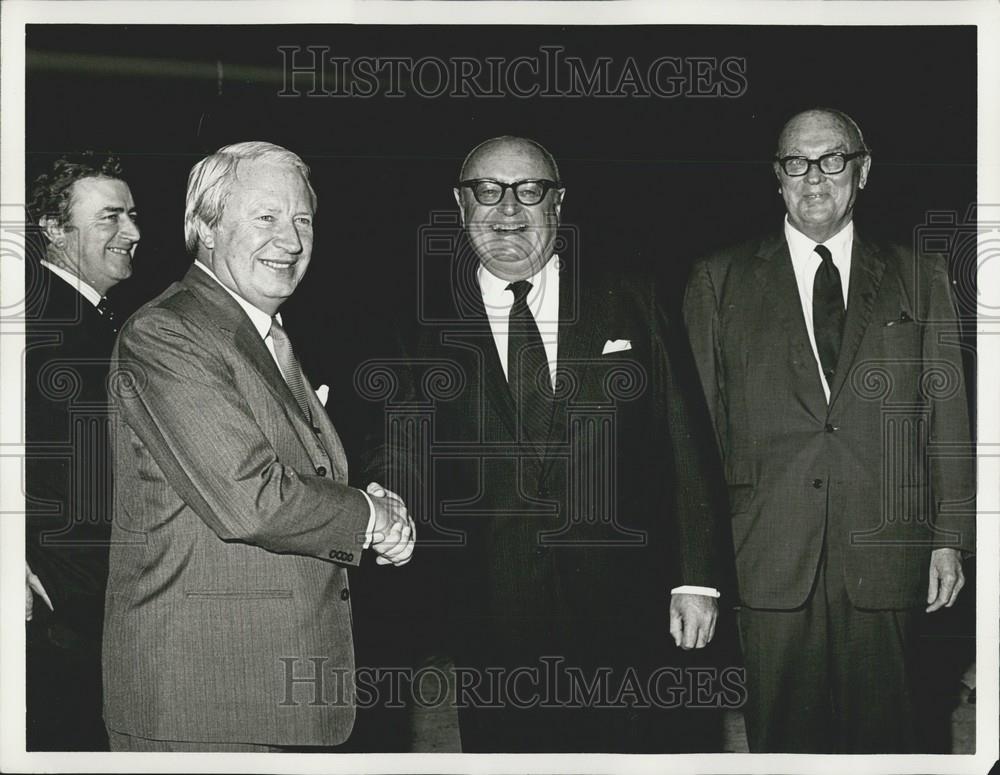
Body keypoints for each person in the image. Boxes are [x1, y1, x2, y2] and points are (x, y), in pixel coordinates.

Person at [376, 136, 723, 752]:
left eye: (529, 190)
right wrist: (386, 503)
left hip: (626, 607)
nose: (508, 208)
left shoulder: (630, 297)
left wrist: (696, 579)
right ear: (460, 205)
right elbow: (402, 446)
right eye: (488, 190)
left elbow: (685, 440)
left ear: (558, 203)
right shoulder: (418, 324)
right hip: (492, 615)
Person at [101, 141, 414, 752]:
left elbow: (304, 472)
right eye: (266, 217)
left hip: (268, 692)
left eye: (303, 220)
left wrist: (371, 505)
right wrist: (371, 516)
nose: (291, 241)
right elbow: (252, 498)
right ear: (205, 227)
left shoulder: (262, 334)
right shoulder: (167, 333)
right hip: (204, 703)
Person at [683, 108, 975, 753]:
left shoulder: (919, 275)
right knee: (784, 746)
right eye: (796, 162)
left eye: (831, 159)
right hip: (766, 555)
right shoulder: (718, 279)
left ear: (862, 171)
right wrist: (697, 569)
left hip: (889, 550)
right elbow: (698, 438)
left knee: (892, 744)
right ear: (777, 175)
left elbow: (948, 414)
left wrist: (951, 537)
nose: (813, 176)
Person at [25, 153, 140, 750]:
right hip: (66, 605)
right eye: (111, 217)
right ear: (54, 228)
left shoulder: (94, 318)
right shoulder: (38, 322)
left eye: (133, 215)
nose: (133, 232)